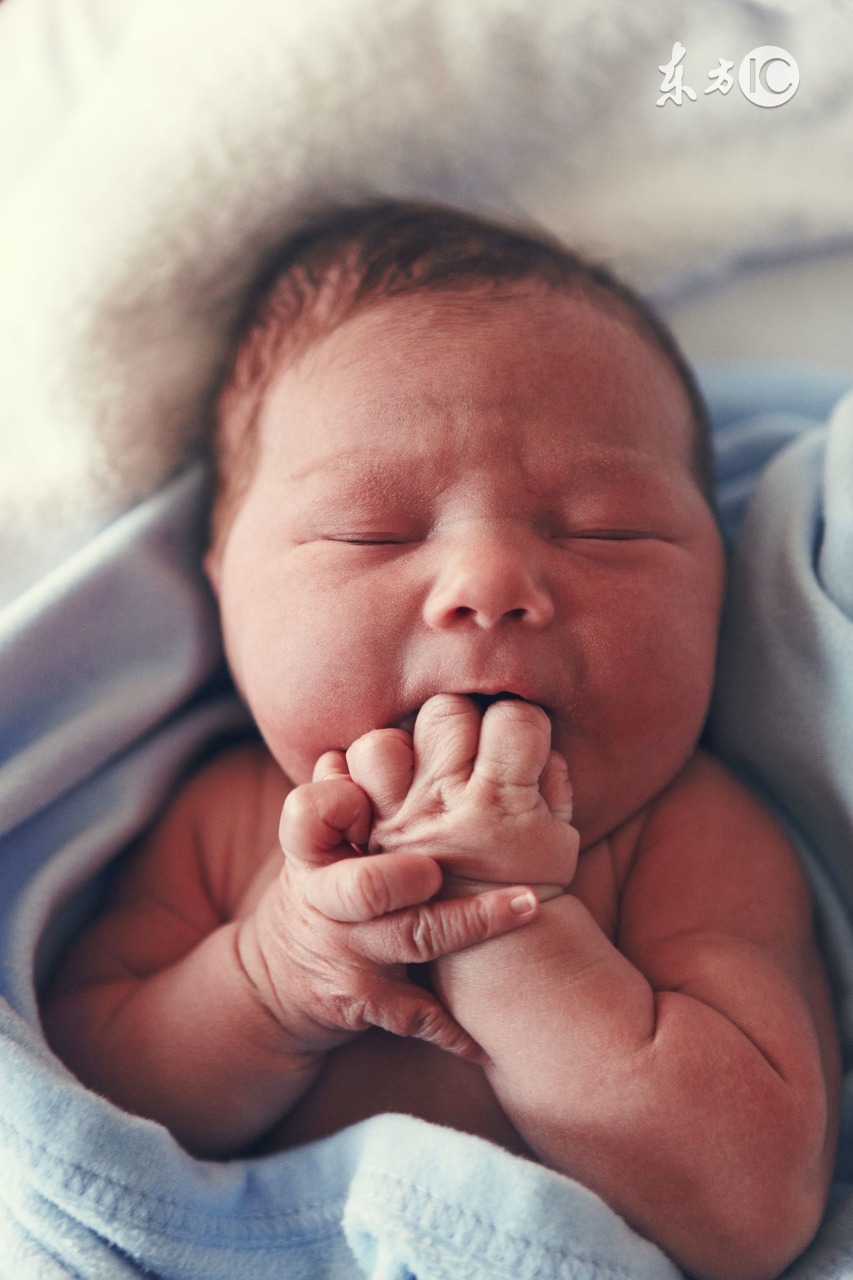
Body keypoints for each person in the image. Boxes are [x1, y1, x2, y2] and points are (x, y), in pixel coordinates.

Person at [42, 201, 840, 1280]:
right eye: (374, 530)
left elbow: (746, 1207)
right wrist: (271, 975)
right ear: (221, 585)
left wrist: (513, 930)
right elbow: (96, 1116)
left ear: (720, 574)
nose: (491, 583)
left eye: (605, 527)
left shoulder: (690, 838)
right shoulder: (224, 820)